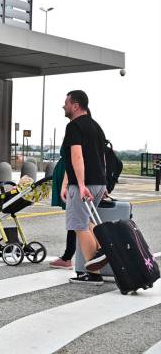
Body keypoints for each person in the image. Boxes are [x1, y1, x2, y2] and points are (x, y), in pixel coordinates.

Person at [60, 90, 109, 285]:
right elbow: (102, 157)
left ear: (75, 105)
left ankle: (94, 272)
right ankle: (102, 250)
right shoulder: (96, 127)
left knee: (79, 225)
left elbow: (77, 157)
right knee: (87, 221)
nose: (63, 106)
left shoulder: (74, 126)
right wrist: (103, 184)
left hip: (84, 185)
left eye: (66, 102)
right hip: (98, 183)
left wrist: (80, 185)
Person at [50, 144, 75, 270]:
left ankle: (67, 257)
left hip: (72, 177)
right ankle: (68, 256)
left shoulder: (75, 129)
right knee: (79, 220)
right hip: (75, 176)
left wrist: (65, 184)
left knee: (76, 220)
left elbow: (74, 158)